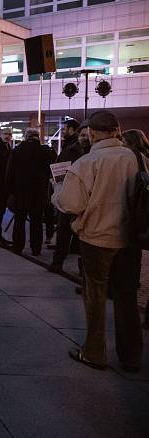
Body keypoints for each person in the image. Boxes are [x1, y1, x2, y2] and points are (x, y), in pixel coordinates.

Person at [53, 111, 146, 372]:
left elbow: (71, 204)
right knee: (127, 296)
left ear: (92, 133)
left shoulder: (87, 163)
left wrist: (57, 189)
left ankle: (95, 351)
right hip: (130, 238)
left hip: (96, 238)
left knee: (95, 296)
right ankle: (131, 356)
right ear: (117, 131)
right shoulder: (138, 158)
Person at [6, 128, 53, 256]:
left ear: (26, 137)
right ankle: (36, 248)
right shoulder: (46, 151)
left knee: (19, 221)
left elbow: (9, 173)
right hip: (39, 193)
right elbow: (52, 172)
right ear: (38, 137)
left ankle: (18, 246)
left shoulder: (17, 151)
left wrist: (11, 192)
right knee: (36, 221)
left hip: (20, 193)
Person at [50, 119, 89, 272]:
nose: (85, 138)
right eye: (83, 135)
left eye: (88, 135)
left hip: (87, 198)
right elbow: (58, 172)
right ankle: (58, 261)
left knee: (83, 233)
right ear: (79, 135)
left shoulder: (94, 152)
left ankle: (83, 267)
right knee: (63, 230)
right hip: (69, 194)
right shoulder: (69, 150)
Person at [121, 128, 149, 331]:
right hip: (142, 218)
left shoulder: (131, 159)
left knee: (130, 252)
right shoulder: (145, 159)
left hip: (135, 217)